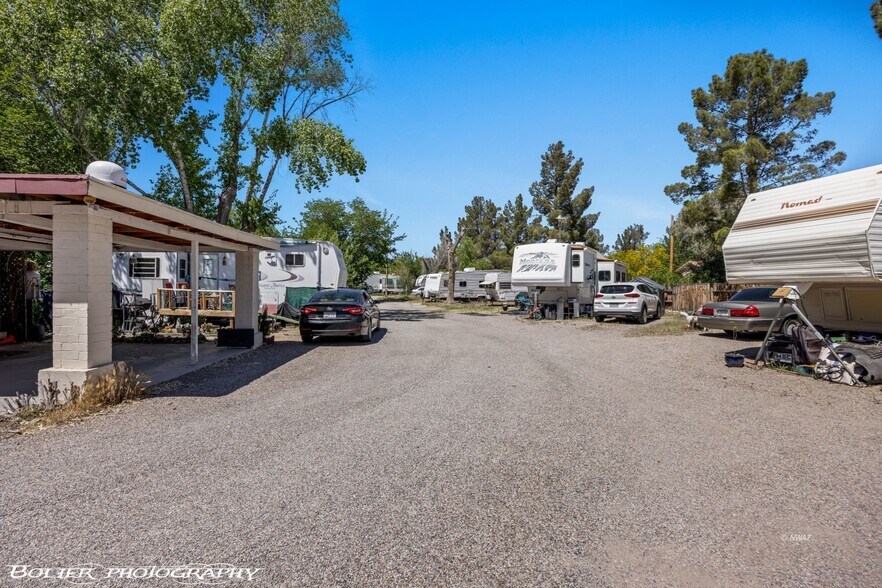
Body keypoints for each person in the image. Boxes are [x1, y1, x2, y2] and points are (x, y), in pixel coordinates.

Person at [24, 260, 42, 341]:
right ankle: (30, 332)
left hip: (31, 296)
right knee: (29, 313)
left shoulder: (36, 274)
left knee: (30, 313)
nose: (32, 267)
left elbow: (39, 285)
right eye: (31, 265)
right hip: (29, 295)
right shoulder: (26, 273)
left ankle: (31, 332)